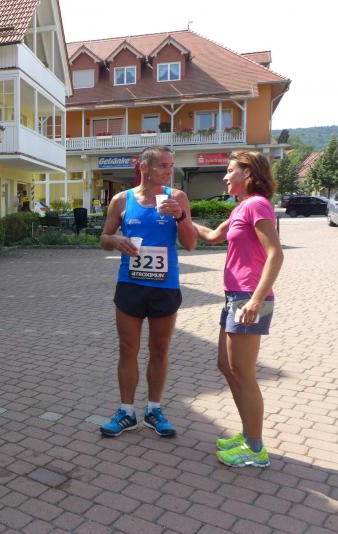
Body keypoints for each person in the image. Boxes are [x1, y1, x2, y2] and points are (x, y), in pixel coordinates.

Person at [99, 146, 197, 438]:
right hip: (131, 284)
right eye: (163, 165)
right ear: (144, 167)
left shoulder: (176, 197)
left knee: (159, 349)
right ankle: (126, 411)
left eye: (171, 165)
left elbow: (190, 244)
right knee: (127, 348)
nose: (169, 171)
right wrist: (116, 242)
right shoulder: (121, 200)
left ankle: (154, 409)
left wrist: (181, 217)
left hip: (165, 285)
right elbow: (104, 237)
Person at [193, 151, 283, 467]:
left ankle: (255, 449)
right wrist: (181, 217)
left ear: (248, 174)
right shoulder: (241, 208)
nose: (225, 176)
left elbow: (275, 254)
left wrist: (256, 301)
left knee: (243, 373)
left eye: (230, 170)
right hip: (235, 296)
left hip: (249, 298)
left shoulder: (257, 205)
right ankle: (247, 435)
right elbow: (212, 236)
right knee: (226, 365)